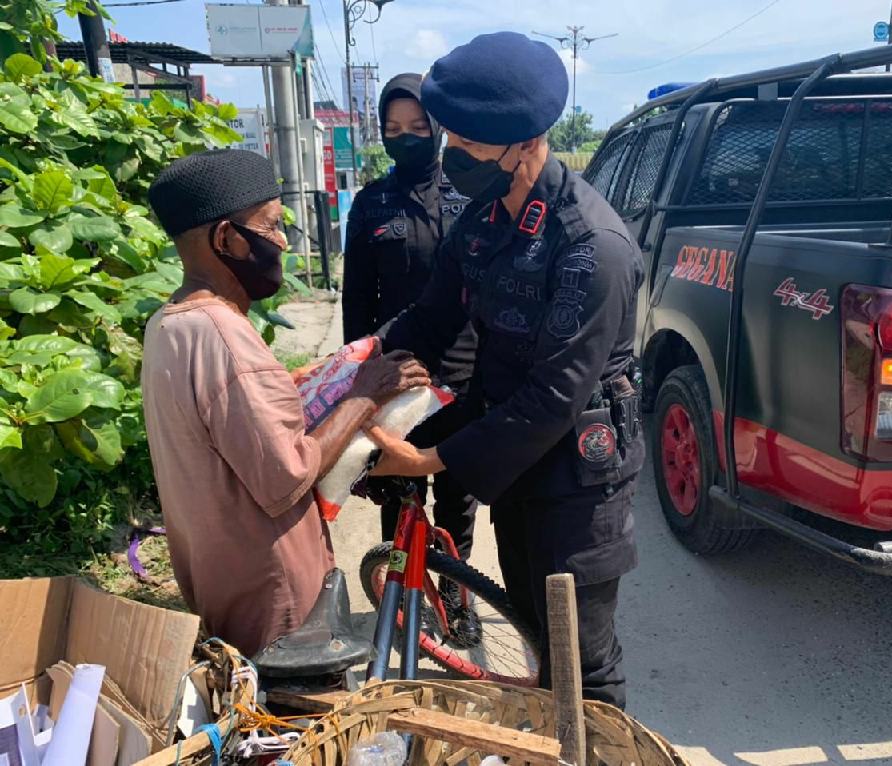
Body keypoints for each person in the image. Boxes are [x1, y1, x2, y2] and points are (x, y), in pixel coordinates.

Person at [367, 32, 644, 709]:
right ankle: (551, 741)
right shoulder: (485, 221)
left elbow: (553, 397)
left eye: (470, 142)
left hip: (579, 481)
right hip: (513, 461)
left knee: (583, 661)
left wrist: (428, 460)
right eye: (450, 136)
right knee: (535, 630)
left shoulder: (590, 246)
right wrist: (352, 370)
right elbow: (432, 321)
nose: (452, 153)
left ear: (525, 143)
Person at [141, 149, 430, 657]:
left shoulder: (170, 323)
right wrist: (365, 394)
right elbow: (287, 474)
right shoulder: (224, 339)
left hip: (219, 576)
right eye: (272, 226)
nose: (282, 242)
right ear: (227, 238)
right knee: (297, 723)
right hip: (275, 594)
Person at [341, 74, 478, 569]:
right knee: (399, 491)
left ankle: (457, 601)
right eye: (393, 128)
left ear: (438, 127)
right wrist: (358, 379)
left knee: (459, 497)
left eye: (418, 125)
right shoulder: (371, 202)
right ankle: (400, 594)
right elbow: (356, 297)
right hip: (397, 373)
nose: (406, 137)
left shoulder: (472, 194)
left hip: (466, 372)